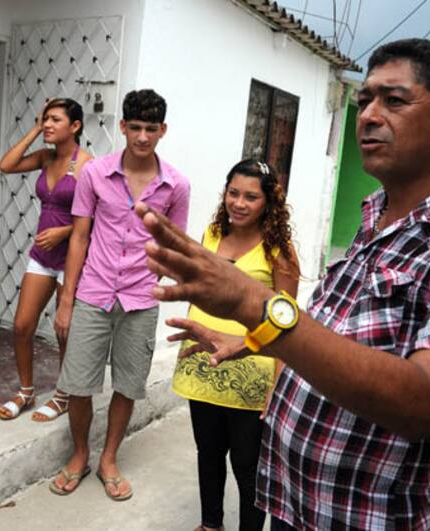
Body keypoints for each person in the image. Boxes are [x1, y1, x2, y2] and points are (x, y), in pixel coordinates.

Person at [138, 38, 430, 529]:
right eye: (364, 99)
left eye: (394, 100)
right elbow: (334, 336)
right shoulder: (376, 214)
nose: (368, 115)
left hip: (366, 517)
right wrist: (253, 341)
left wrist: (252, 304)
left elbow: (423, 402)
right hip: (293, 502)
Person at [49, 89, 190, 499]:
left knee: (128, 385)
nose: (143, 137)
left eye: (151, 129)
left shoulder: (176, 185)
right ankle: (80, 454)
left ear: (163, 130)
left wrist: (166, 282)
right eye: (136, 127)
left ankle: (108, 458)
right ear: (123, 127)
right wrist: (66, 301)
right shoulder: (95, 173)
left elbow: (174, 243)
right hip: (93, 292)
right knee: (78, 383)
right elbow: (79, 238)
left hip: (140, 299)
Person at [170, 160, 299, 531]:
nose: (239, 203)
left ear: (268, 202)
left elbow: (286, 323)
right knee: (208, 453)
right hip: (203, 365)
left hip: (251, 375)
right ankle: (211, 524)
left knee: (247, 466)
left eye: (251, 197)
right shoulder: (212, 233)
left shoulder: (279, 251)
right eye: (233, 193)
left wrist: (277, 384)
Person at [0, 98, 92, 422]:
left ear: (75, 126)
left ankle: (63, 395)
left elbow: (100, 218)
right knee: (22, 325)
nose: (48, 125)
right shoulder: (45, 157)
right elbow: (6, 165)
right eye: (45, 119)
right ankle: (26, 391)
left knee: (65, 332)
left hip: (72, 259)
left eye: (55, 120)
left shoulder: (88, 165)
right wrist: (35, 130)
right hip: (42, 256)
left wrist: (65, 231)